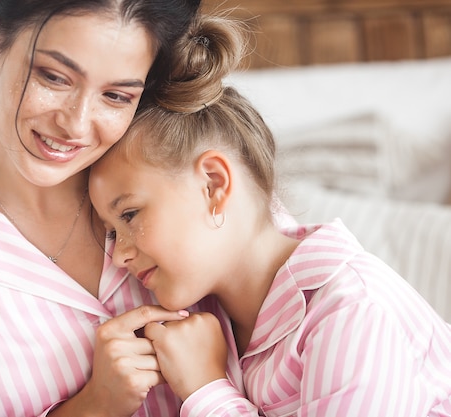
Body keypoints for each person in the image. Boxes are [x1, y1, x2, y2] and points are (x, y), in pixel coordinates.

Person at [0, 1, 244, 416]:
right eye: (54, 77)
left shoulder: (198, 174)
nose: (75, 124)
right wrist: (94, 406)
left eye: (116, 95)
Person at [88, 13, 451, 417]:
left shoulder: (351, 309)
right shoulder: (206, 322)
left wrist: (206, 390)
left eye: (131, 214)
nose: (118, 256)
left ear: (213, 184)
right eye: (109, 232)